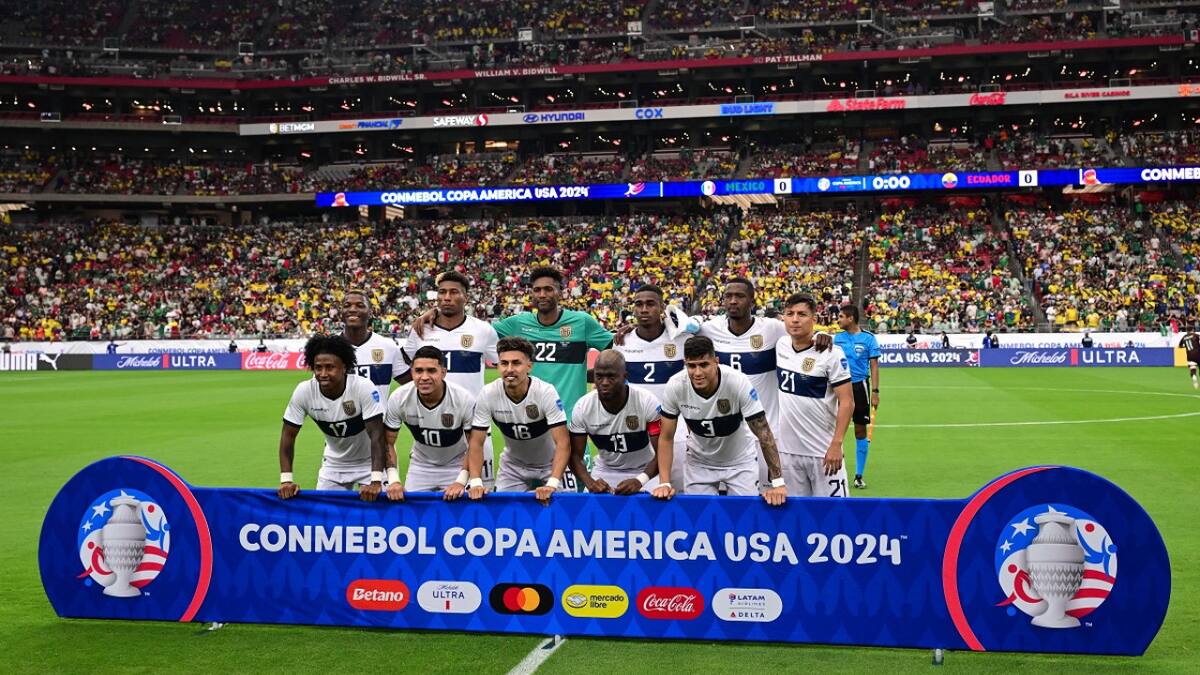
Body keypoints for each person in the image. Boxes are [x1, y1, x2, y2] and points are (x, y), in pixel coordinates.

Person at [415, 266, 612, 422]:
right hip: (529, 419)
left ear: (560, 292)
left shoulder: (581, 322)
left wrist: (591, 375)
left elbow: (616, 352)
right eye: (537, 290)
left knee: (576, 474)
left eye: (548, 289)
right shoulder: (517, 324)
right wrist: (437, 314)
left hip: (570, 420)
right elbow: (472, 328)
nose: (542, 294)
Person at [652, 336, 787, 505]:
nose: (698, 372)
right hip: (699, 462)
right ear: (684, 363)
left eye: (704, 364)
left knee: (743, 517)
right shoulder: (675, 385)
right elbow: (666, 437)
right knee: (699, 519)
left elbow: (763, 432)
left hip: (739, 461)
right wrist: (664, 482)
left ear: (716, 361)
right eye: (691, 366)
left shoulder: (738, 381)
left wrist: (778, 483)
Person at [403, 271, 500, 488]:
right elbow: (404, 367)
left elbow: (502, 367)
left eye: (454, 292)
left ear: (465, 297)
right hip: (431, 425)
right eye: (442, 292)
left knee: (481, 494)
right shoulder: (420, 330)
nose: (446, 297)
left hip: (475, 426)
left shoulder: (483, 331)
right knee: (422, 502)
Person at [277, 334, 388, 501]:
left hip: (369, 463)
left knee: (379, 517)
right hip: (334, 464)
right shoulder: (304, 391)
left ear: (344, 367)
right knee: (325, 517)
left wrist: (376, 480)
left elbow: (377, 436)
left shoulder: (363, 387)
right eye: (318, 367)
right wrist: (286, 480)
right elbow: (288, 435)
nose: (323, 373)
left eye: (330, 367)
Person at [468, 337, 573, 502]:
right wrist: (475, 483)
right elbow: (476, 442)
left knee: (565, 512)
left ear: (529, 366)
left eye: (516, 363)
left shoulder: (545, 392)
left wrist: (552, 483)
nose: (509, 369)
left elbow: (563, 442)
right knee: (504, 514)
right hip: (513, 466)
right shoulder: (488, 393)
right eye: (504, 363)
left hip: (551, 464)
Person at [777, 295, 855, 497]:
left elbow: (847, 402)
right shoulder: (780, 345)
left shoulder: (831, 353)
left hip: (824, 453)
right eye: (790, 314)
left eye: (802, 314)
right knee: (794, 520)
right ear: (783, 318)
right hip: (787, 454)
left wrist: (837, 444)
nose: (795, 319)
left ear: (814, 318)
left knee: (836, 517)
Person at [613, 284, 689, 488]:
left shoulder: (682, 338)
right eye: (638, 304)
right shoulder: (623, 341)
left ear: (662, 307)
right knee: (641, 492)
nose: (644, 309)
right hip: (638, 429)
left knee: (678, 490)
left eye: (650, 304)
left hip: (677, 429)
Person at [383, 346, 478, 500]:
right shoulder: (399, 398)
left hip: (457, 464)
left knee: (459, 517)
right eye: (419, 371)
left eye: (431, 371)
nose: (424, 377)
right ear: (412, 373)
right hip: (421, 466)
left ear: (443, 372)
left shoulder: (463, 399)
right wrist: (393, 480)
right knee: (412, 516)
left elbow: (474, 444)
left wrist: (461, 481)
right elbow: (387, 442)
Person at [567, 350, 662, 494]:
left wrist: (640, 480)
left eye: (611, 377)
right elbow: (574, 456)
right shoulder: (583, 407)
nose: (604, 382)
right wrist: (590, 482)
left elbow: (662, 452)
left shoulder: (646, 401)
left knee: (654, 509)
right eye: (599, 376)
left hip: (645, 469)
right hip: (605, 470)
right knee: (591, 511)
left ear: (624, 376)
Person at [833, 304, 880, 490]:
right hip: (838, 387)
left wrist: (876, 392)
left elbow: (875, 366)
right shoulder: (837, 339)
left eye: (841, 317)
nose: (838, 320)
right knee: (835, 430)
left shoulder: (868, 339)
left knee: (860, 430)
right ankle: (836, 471)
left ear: (850, 318)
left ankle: (859, 475)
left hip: (860, 387)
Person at [342, 289, 411, 401]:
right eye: (347, 305)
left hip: (378, 418)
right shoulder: (328, 347)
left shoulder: (388, 347)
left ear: (370, 313)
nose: (352, 309)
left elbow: (412, 385)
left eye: (360, 305)